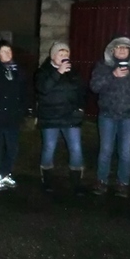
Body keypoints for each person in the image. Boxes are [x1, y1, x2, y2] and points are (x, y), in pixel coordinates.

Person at [90, 36, 130, 198]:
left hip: (129, 116)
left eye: (125, 47)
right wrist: (112, 75)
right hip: (107, 115)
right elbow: (94, 87)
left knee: (125, 151)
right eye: (118, 47)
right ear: (112, 51)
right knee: (105, 150)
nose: (122, 50)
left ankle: (123, 183)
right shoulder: (103, 66)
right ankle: (101, 181)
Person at [35, 41, 86, 194]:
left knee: (76, 148)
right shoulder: (43, 71)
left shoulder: (74, 72)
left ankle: (76, 182)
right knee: (49, 147)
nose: (64, 57)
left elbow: (81, 91)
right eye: (60, 54)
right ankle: (47, 181)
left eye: (66, 54)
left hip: (70, 116)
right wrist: (58, 72)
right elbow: (43, 89)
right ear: (53, 56)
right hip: (50, 117)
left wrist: (80, 107)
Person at [0, 40, 27, 191]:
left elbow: (24, 91)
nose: (8, 54)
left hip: (13, 115)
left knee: (12, 148)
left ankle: (6, 173)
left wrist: (23, 109)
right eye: (4, 51)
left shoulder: (18, 70)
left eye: (9, 51)